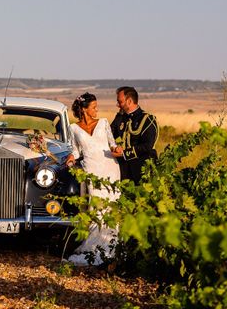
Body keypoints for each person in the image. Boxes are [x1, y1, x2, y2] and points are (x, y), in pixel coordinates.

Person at [66, 92, 122, 266]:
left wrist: (117, 149)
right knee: (96, 207)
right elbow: (76, 151)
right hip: (91, 170)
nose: (97, 110)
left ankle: (111, 245)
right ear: (84, 109)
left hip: (110, 168)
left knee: (112, 207)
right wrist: (71, 158)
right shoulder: (73, 129)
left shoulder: (104, 123)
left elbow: (112, 144)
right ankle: (95, 246)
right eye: (93, 107)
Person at [110, 86, 159, 184]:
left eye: (120, 102)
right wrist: (114, 148)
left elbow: (147, 146)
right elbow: (110, 136)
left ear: (129, 101)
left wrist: (124, 153)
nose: (117, 105)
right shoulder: (120, 118)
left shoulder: (147, 120)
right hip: (124, 171)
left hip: (143, 170)